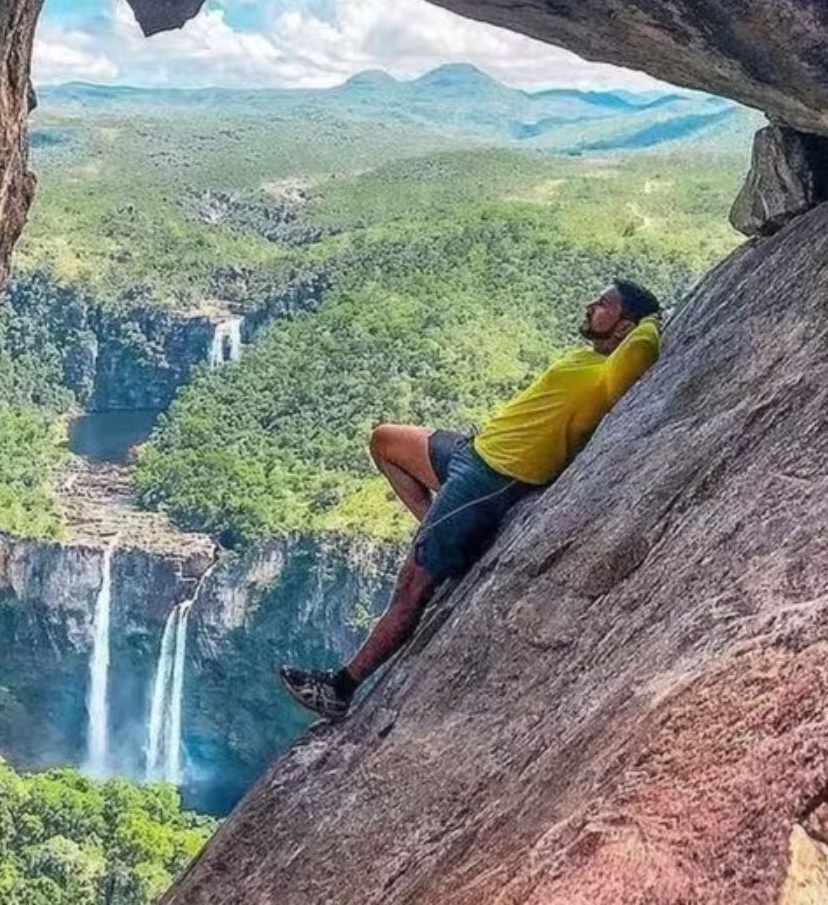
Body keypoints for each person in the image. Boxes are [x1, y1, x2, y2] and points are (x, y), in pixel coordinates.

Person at [277, 280, 664, 720]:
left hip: (489, 479)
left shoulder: (611, 373)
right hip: (470, 451)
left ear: (624, 327)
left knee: (411, 588)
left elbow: (644, 348)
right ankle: (436, 528)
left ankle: (340, 688)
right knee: (384, 441)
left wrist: (650, 320)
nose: (592, 305)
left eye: (605, 304)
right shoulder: (589, 357)